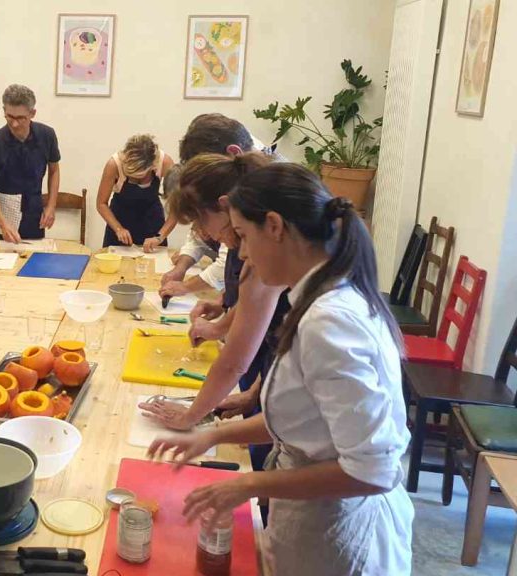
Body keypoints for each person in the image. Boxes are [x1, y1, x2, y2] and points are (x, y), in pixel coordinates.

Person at [150, 163, 413, 575]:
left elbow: (373, 470)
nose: (241, 253)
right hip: (313, 524)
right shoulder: (318, 299)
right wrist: (216, 433)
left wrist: (250, 484)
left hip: (340, 539)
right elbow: (306, 420)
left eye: (243, 236)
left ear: (273, 226)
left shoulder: (331, 322)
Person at [140, 153, 290, 480]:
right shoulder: (268, 245)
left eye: (200, 223)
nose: (203, 234)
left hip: (310, 471)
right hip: (277, 391)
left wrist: (193, 416)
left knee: (265, 478)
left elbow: (235, 361)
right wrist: (254, 393)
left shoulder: (270, 255)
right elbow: (257, 308)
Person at [160, 113, 258, 298]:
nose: (201, 231)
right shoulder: (234, 196)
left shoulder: (262, 202)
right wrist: (224, 303)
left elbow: (256, 295)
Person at [0, 84, 61, 243]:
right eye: (10, 116)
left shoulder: (47, 135)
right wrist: (3, 225)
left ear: (32, 113)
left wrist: (51, 206)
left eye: (20, 118)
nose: (14, 123)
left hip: (34, 215)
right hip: (0, 219)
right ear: (4, 111)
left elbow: (54, 171)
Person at [95, 134, 177, 250]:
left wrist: (159, 236)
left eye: (139, 175)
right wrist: (118, 228)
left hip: (152, 221)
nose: (135, 179)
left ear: (152, 166)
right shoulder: (114, 164)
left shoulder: (164, 162)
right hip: (119, 220)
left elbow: (177, 208)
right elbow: (101, 204)